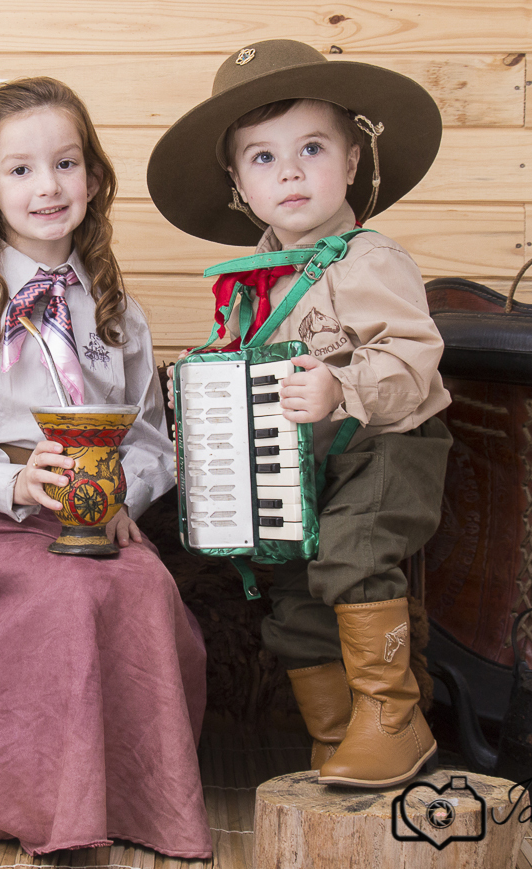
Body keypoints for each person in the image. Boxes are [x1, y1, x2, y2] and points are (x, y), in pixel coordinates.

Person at [0, 75, 211, 859]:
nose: (48, 186)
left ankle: (141, 802)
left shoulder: (117, 310)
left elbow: (148, 438)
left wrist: (123, 494)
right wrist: (14, 483)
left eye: (66, 163)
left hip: (98, 516)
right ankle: (46, 803)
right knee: (65, 596)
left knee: (143, 585)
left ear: (95, 178)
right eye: (20, 169)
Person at [147, 40, 453, 789]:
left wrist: (341, 390)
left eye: (311, 148)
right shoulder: (250, 283)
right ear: (237, 185)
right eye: (261, 157)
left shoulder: (368, 260)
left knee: (351, 554)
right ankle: (337, 736)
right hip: (297, 464)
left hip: (386, 448)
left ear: (351, 161)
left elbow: (414, 358)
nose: (288, 171)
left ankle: (393, 719)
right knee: (288, 583)